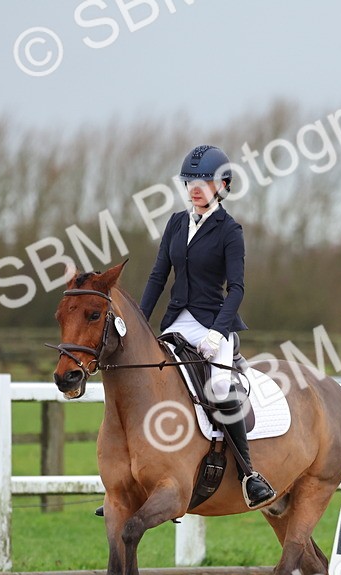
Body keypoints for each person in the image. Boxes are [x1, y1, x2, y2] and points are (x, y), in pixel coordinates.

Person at [139, 145, 277, 509]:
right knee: (147, 379)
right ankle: (131, 477)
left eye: (203, 181)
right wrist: (139, 321)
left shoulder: (230, 230)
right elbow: (157, 276)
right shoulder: (175, 223)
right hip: (176, 321)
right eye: (189, 181)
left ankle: (249, 474)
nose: (194, 188)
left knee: (218, 386)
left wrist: (218, 332)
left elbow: (238, 288)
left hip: (213, 323)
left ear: (222, 184)